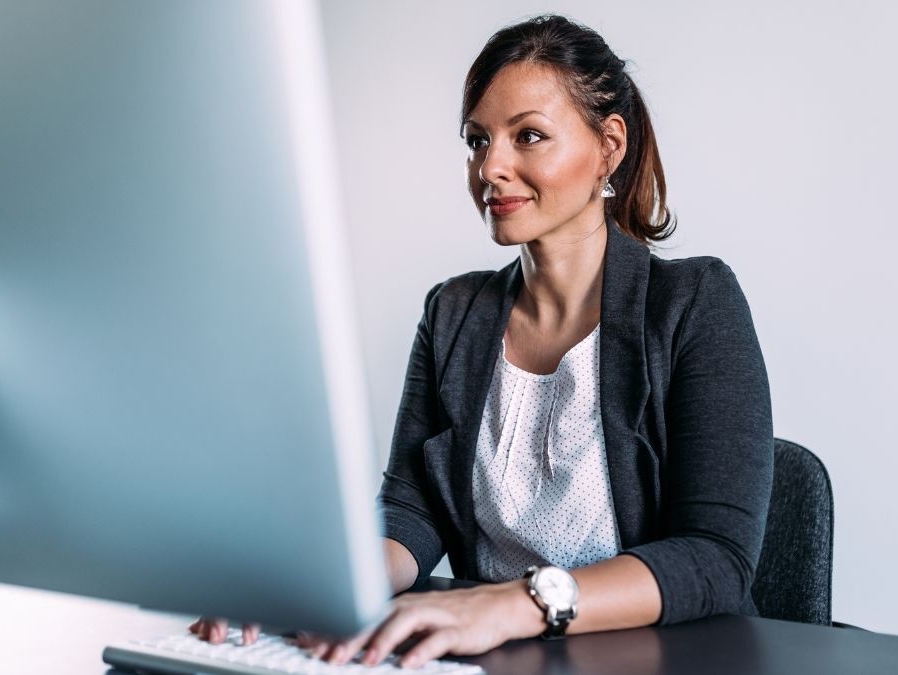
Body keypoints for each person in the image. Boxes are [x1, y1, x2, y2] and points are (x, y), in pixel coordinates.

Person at [191, 13, 773, 669]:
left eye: (528, 135)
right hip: (492, 657)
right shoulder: (455, 311)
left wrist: (513, 602)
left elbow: (716, 556)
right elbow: (414, 511)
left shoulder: (694, 303)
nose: (490, 167)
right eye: (477, 141)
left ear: (609, 146)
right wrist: (311, 589)